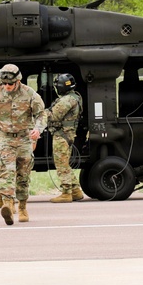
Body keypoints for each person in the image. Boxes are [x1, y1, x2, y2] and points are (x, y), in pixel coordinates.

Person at [0, 63, 45, 225]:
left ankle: (22, 206)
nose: (7, 86)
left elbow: (41, 114)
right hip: (4, 138)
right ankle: (8, 205)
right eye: (4, 84)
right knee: (6, 171)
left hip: (24, 138)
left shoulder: (30, 94)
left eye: (10, 84)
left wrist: (38, 129)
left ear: (18, 81)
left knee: (23, 174)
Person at [46, 73, 84, 203]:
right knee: (65, 163)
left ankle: (66, 193)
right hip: (67, 135)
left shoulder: (66, 100)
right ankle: (76, 191)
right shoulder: (75, 97)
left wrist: (41, 113)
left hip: (61, 135)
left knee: (61, 164)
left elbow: (53, 116)